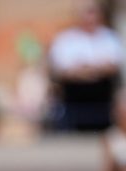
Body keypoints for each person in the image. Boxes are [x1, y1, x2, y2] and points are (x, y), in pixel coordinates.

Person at [50, 0, 123, 132]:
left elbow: (114, 65)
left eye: (93, 12)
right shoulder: (66, 39)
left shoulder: (110, 37)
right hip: (74, 95)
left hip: (103, 95)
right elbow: (62, 70)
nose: (90, 17)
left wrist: (87, 69)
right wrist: (92, 70)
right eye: (86, 13)